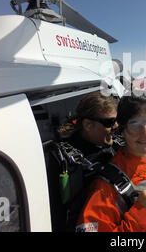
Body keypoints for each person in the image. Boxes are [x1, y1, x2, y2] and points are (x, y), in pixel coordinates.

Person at [76, 95, 146, 232]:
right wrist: (140, 216)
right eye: (135, 125)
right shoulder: (106, 187)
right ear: (122, 130)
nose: (145, 133)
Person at [45, 91, 120, 231]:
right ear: (88, 125)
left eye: (116, 120)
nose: (116, 126)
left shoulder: (116, 146)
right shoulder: (60, 159)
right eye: (109, 122)